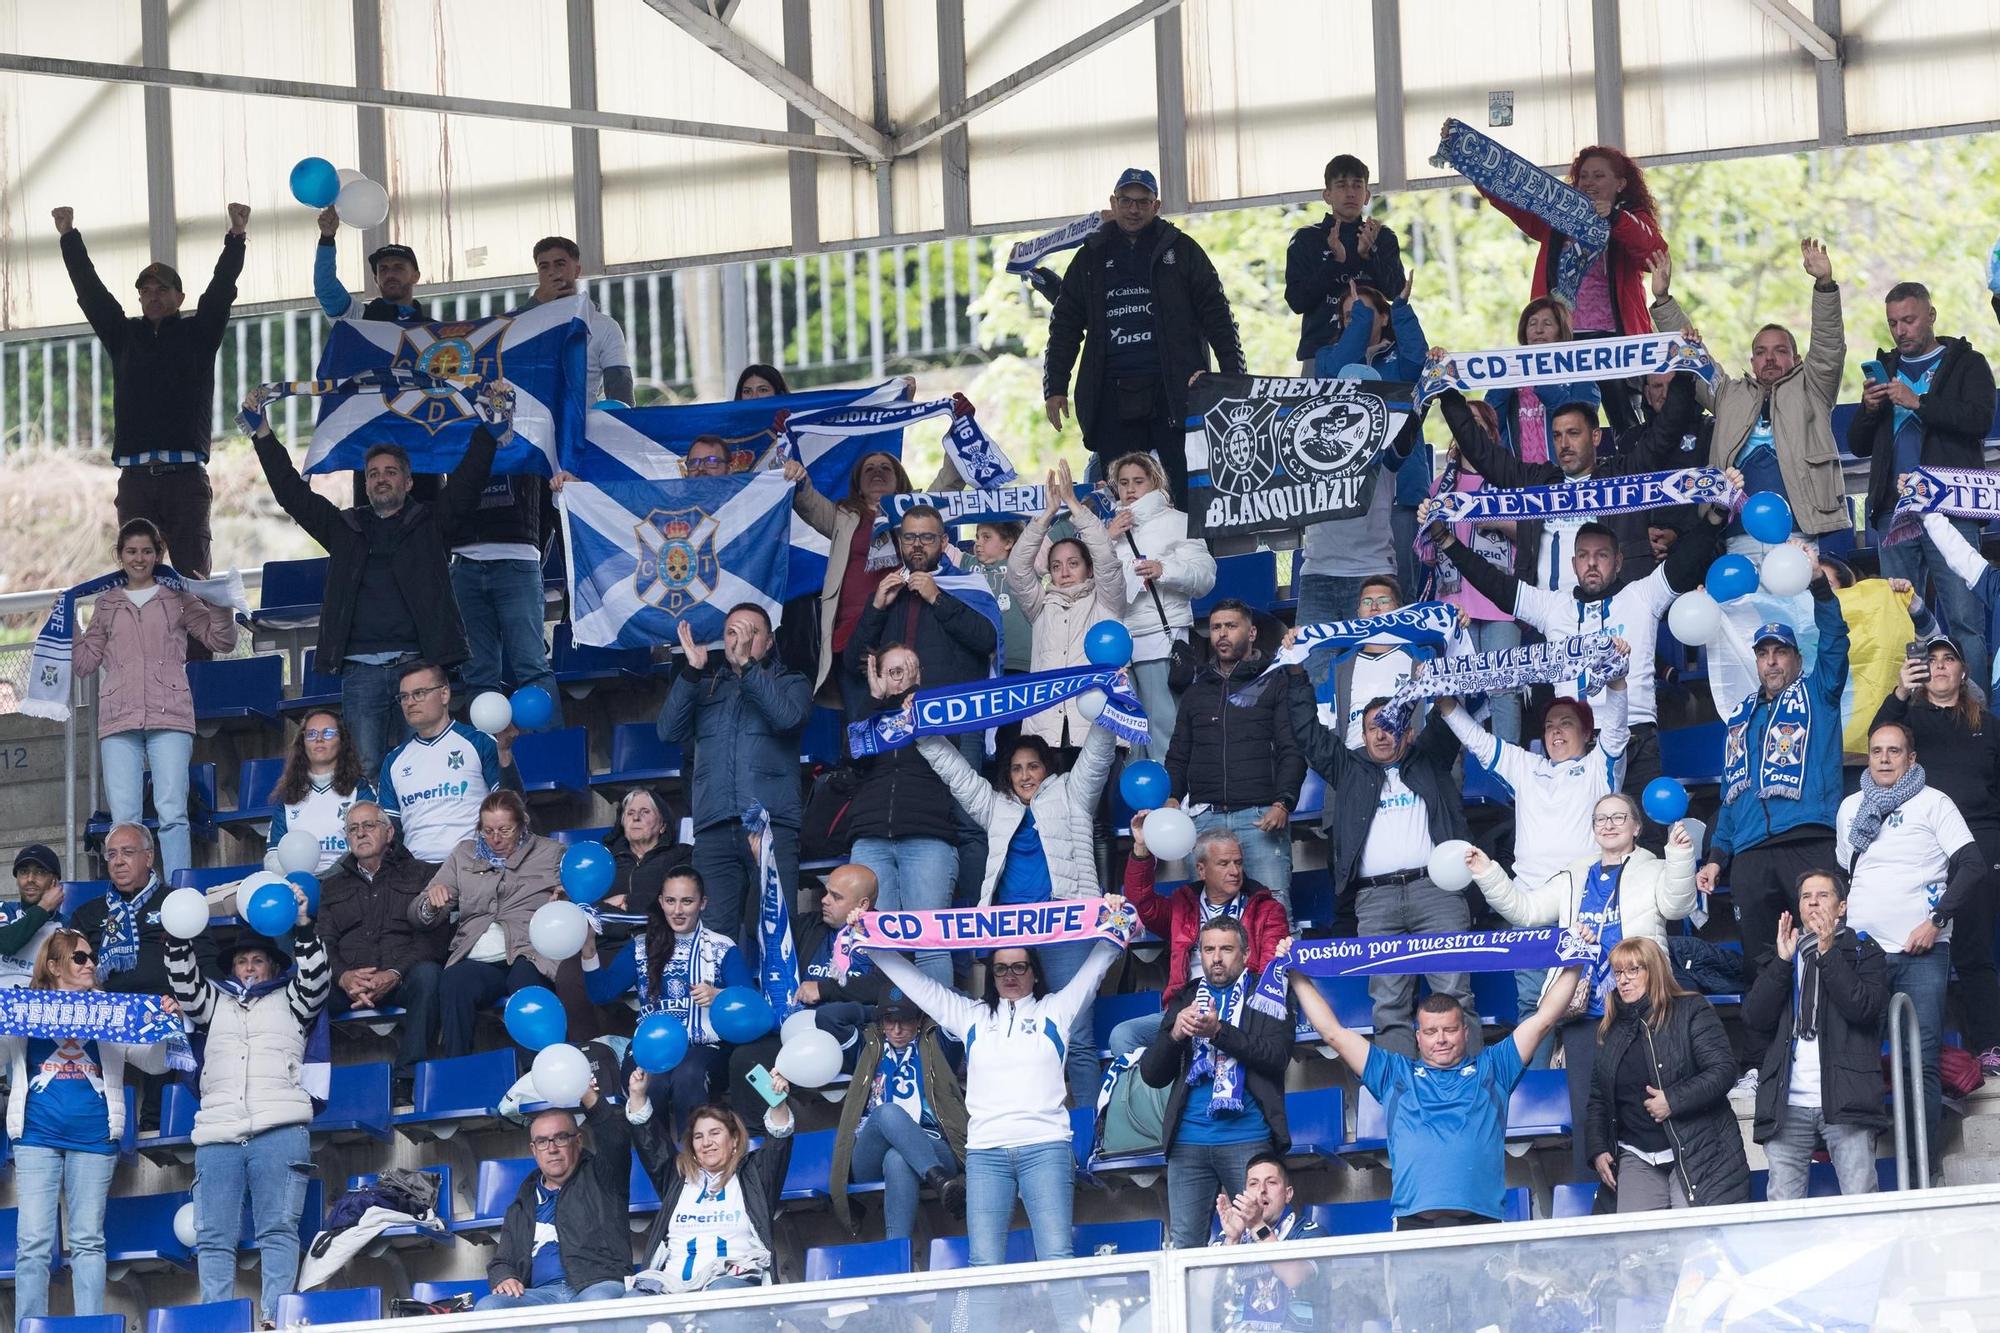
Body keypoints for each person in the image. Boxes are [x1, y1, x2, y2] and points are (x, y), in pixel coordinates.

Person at [247, 383, 514, 776]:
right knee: (367, 769)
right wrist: (262, 434)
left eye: (390, 472)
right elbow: (291, 493)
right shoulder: (343, 527)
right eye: (373, 474)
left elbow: (466, 483)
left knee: (424, 767)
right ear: (365, 484)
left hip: (418, 667)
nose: (381, 479)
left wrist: (488, 432)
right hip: (360, 671)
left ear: (409, 482)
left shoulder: (431, 523)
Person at [872, 933, 1124, 1305]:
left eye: (1019, 967)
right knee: (984, 1266)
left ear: (1035, 972)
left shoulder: (1057, 1009)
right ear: (991, 975)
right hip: (986, 1155)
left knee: (1057, 1259)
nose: (1010, 976)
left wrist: (1117, 928)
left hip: (1045, 1148)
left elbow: (1095, 968)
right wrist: (870, 944)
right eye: (1001, 969)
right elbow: (918, 986)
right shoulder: (971, 1016)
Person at [1469, 796, 1699, 1179]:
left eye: (1618, 817)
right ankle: (1595, 1193)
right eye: (1600, 819)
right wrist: (1487, 872)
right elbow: (1525, 911)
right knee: (1587, 1113)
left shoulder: (1655, 868)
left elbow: (1677, 907)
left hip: (1639, 1010)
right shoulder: (1574, 875)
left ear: (1637, 827)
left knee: (1643, 1105)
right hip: (1583, 1012)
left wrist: (1679, 857)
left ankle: (1654, 1187)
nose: (1609, 824)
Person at [1433, 512, 1725, 809]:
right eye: (1583, 556)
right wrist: (1444, 539)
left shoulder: (1642, 596)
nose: (1592, 563)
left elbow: (1686, 560)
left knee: (1646, 831)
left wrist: (1716, 516)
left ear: (1619, 562)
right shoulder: (1552, 607)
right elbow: (1495, 584)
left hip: (1635, 740)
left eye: (1602, 555)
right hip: (1573, 744)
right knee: (1576, 832)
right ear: (1573, 564)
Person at [1292, 944, 1583, 1227]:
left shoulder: (1494, 1068)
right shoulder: (1394, 1074)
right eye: (1431, 1031)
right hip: (1413, 1225)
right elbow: (1333, 1033)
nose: (1441, 1039)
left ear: (1465, 1032)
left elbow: (1544, 1019)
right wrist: (1294, 973)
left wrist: (1577, 959)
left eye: (1450, 1029)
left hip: (1482, 1223)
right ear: (1418, 1037)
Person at [921, 725, 1116, 1107]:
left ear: (1047, 768)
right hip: (1011, 934)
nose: (1025, 776)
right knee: (1009, 1037)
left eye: (1033, 766)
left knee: (1078, 1038)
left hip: (1066, 929)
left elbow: (1097, 756)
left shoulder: (1073, 793)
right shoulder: (995, 806)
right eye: (1016, 768)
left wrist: (1111, 706)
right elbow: (956, 773)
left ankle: (1089, 1132)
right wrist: (919, 731)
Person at [55, 202, 249, 579]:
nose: (153, 296)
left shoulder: (199, 333)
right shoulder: (123, 336)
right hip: (136, 481)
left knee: (194, 580)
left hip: (185, 479)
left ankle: (201, 624)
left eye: (162, 290)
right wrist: (68, 236)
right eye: (146, 291)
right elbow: (91, 292)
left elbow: (221, 290)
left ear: (180, 297)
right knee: (140, 580)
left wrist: (237, 237)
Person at [167, 888, 329, 1323]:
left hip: (281, 1127)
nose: (250, 967)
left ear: (273, 965)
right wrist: (178, 935)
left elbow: (317, 976)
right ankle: (216, 1323)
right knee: (213, 1236)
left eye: (258, 960)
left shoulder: (294, 999)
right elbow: (183, 983)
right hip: (218, 1131)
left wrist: (303, 926)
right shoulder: (213, 1001)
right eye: (243, 961)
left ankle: (277, 1321)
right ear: (233, 968)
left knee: (278, 1231)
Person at [1043, 167, 1246, 503]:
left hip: (1175, 392)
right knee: (1122, 497)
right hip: (1111, 394)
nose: (1133, 209)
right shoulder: (1091, 255)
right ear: (1113, 202)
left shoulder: (1182, 250)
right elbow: (1065, 324)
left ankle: (1189, 538)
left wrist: (1234, 378)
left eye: (1142, 202)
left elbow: (1219, 317)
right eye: (1126, 201)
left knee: (1186, 494)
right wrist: (1055, 386)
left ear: (1157, 206)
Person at [1290, 689, 1475, 1057]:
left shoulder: (1429, 757)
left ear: (1408, 732)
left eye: (1390, 726)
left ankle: (1467, 1087)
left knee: (1455, 996)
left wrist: (1434, 681)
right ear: (1362, 735)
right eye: (1372, 728)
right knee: (1389, 1008)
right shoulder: (1348, 767)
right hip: (1375, 901)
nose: (1380, 734)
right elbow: (1307, 732)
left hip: (1436, 893)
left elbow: (1449, 713)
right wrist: (1295, 675)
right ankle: (1401, 1092)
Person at [4, 928, 175, 1321]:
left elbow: (154, 1064)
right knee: (32, 1243)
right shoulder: (25, 1007)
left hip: (95, 1138)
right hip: (36, 1136)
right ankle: (29, 1327)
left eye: (91, 957)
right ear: (53, 966)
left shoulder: (110, 1008)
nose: (90, 964)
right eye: (79, 958)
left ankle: (91, 1327)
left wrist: (163, 1028)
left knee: (88, 1242)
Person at [1836, 720, 1983, 1170]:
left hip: (1922, 952)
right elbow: (1846, 875)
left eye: (1894, 751)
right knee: (1858, 1061)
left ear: (1911, 758)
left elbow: (1972, 865)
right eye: (1876, 751)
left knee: (1920, 1061)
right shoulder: (1850, 807)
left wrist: (1936, 921)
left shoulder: (1934, 802)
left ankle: (1922, 1170)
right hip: (1864, 955)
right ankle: (1860, 1172)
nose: (1883, 759)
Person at [1648, 241, 1849, 548]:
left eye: (1780, 351)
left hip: (1799, 534)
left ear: (1796, 359)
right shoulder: (1728, 394)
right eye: (1761, 352)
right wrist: (1663, 300)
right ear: (1752, 361)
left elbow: (1828, 346)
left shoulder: (1814, 389)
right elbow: (1694, 359)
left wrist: (1824, 285)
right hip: (1737, 535)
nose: (1770, 358)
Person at [1697, 582, 1851, 974]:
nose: (1771, 662)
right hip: (1750, 854)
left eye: (1780, 652)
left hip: (1809, 842)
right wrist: (1717, 858)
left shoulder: (1818, 694)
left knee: (1825, 954)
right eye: (1763, 654)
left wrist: (1821, 589)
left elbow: (1835, 642)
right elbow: (1731, 798)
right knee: (1761, 966)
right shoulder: (1740, 717)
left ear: (1797, 658)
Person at [1849, 281, 1997, 688]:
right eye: (1893, 323)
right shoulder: (1887, 369)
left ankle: (1976, 716)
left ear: (1931, 316)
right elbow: (1858, 444)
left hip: (1951, 508)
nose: (1901, 331)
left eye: (1909, 320)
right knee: (1902, 620)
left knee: (1964, 619)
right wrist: (1869, 408)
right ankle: (1912, 713)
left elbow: (1979, 420)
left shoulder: (1967, 363)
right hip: (1894, 512)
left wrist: (1919, 402)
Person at [73, 518, 239, 879]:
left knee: (173, 813)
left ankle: (179, 890)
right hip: (119, 720)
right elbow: (84, 663)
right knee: (124, 819)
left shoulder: (177, 596)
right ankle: (131, 891)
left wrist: (219, 603)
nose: (139, 558)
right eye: (131, 551)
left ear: (158, 554)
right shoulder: (106, 604)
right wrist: (68, 621)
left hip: (171, 716)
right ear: (119, 555)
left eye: (147, 551)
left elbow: (222, 641)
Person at [1877, 619, 2000, 1076]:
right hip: (1923, 843)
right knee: (1917, 947)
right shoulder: (1908, 722)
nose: (1941, 666)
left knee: (1975, 949)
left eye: (1949, 659)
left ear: (1964, 672)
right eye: (1932, 660)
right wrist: (1900, 692)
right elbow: (1879, 742)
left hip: (1981, 840)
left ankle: (1989, 1044)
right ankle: (1916, 1055)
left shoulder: (1988, 725)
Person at [659, 604, 812, 938]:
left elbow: (787, 719)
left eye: (750, 632)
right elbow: (668, 732)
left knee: (774, 934)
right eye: (732, 632)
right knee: (714, 938)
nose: (739, 640)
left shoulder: (791, 681)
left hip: (769, 824)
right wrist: (690, 673)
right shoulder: (705, 685)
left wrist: (748, 667)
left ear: (769, 642)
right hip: (713, 826)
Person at [1141, 915, 1293, 1247]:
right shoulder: (1187, 997)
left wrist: (1219, 1032)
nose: (1216, 958)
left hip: (1247, 1137)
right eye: (1209, 950)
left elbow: (1277, 1056)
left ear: (1246, 953)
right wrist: (1175, 1034)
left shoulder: (1267, 990)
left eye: (1226, 949)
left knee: (1257, 1238)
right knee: (1185, 1247)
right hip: (1188, 1141)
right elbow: (1152, 1074)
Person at [1744, 869, 1888, 1199]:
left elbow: (1863, 1008)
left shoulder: (1863, 951)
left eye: (1823, 895)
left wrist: (1828, 952)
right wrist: (1782, 963)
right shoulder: (1783, 953)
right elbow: (1755, 1018)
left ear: (1842, 907)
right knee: (1783, 1207)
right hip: (1787, 1102)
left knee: (1861, 1201)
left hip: (1846, 1098)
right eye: (1806, 897)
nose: (1813, 903)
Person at [1295, 280, 1428, 628]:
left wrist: (1401, 310)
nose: (1356, 319)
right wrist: (1361, 318)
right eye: (1349, 316)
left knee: (1402, 596)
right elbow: (1338, 372)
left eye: (1364, 312)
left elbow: (1418, 364)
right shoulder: (1329, 357)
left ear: (1384, 317)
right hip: (1336, 526)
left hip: (1401, 484)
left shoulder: (1399, 358)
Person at [1585, 937, 1748, 1211]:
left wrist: (1673, 1101)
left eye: (1633, 970)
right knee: (1633, 1238)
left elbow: (1723, 1070)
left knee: (1692, 1236)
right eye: (1618, 972)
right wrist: (1598, 1148)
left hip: (1697, 1149)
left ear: (1654, 971)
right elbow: (1598, 1098)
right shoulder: (1609, 1029)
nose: (1623, 980)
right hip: (1637, 1153)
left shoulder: (1691, 1010)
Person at [1165, 600, 1304, 912]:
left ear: (1252, 633)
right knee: (1211, 922)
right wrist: (1173, 796)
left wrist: (1283, 802)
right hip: (1204, 820)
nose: (1222, 634)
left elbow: (1291, 748)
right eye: (1216, 627)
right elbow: (1178, 754)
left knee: (1275, 916)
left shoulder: (1274, 680)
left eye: (1231, 626)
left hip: (1260, 818)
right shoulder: (1196, 691)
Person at [412, 790, 571, 1059]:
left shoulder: (551, 853)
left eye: (505, 830)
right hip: (478, 954)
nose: (495, 839)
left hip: (530, 950)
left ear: (522, 824)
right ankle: (458, 1069)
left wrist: (565, 899)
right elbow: (417, 913)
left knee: (525, 980)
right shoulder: (464, 854)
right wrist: (431, 903)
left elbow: (579, 900)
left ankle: (537, 1069)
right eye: (487, 831)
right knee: (454, 981)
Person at [724, 863, 888, 1124]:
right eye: (826, 892)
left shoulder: (887, 934)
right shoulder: (812, 925)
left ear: (863, 904)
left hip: (850, 1038)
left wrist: (825, 989)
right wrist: (761, 867)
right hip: (797, 1031)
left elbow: (887, 987)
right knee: (746, 1059)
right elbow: (761, 927)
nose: (824, 900)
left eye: (836, 896)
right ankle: (762, 1136)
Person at [595, 867, 753, 1135]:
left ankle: (696, 1154)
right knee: (651, 1082)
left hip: (704, 1045)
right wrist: (588, 951)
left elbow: (750, 1005)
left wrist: (720, 996)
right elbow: (602, 992)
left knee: (688, 1075)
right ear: (661, 902)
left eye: (687, 901)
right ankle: (659, 1158)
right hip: (651, 1045)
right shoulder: (641, 946)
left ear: (703, 903)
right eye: (670, 901)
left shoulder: (721, 946)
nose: (678, 910)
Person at [316, 801, 451, 1105]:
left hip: (401, 977)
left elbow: (434, 940)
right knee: (304, 992)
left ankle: (407, 1079)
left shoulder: (422, 874)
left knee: (430, 976)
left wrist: (393, 973)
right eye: (353, 828)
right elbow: (323, 942)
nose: (360, 833)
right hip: (349, 984)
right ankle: (313, 1088)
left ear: (389, 833)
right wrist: (343, 977)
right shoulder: (331, 886)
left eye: (369, 825)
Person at [843, 645, 963, 987]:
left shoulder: (937, 710)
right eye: (894, 671)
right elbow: (851, 755)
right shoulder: (869, 713)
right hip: (871, 837)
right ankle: (886, 1021)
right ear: (879, 677)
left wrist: (919, 706)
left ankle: (936, 1022)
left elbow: (951, 750)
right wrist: (874, 701)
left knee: (930, 943)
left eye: (910, 669)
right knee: (877, 943)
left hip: (927, 837)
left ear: (920, 675)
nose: (902, 677)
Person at [1474, 142, 1665, 340]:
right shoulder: (1556, 215)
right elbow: (1516, 200)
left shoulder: (1631, 218)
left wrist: (1615, 218)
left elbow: (1655, 255)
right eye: (1583, 176)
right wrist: (1475, 167)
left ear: (1620, 184)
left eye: (1598, 176)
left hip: (1616, 339)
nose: (1589, 182)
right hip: (1560, 337)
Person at [1008, 461, 1130, 754]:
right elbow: (1017, 570)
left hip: (1096, 728)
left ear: (1089, 569)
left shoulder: (1106, 601)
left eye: (1073, 563)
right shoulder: (1040, 606)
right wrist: (1047, 515)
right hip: (1046, 733)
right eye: (1056, 566)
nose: (1064, 572)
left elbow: (1106, 558)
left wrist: (1074, 505)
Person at [828, 991, 970, 1240]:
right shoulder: (867, 1046)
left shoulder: (937, 1044)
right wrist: (876, 1010)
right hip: (871, 1152)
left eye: (905, 1020)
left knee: (897, 1158)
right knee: (887, 1112)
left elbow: (963, 1000)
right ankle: (942, 1181)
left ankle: (897, 1252)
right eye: (889, 1021)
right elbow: (828, 1017)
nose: (896, 1030)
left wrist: (921, 1000)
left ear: (919, 1020)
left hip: (934, 1145)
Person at [787, 449, 917, 712]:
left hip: (903, 629)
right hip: (853, 637)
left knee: (909, 718)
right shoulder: (842, 516)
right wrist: (797, 475)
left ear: (899, 480)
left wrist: (959, 437)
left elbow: (948, 484)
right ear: (858, 484)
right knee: (861, 722)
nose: (877, 472)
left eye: (885, 468)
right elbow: (807, 500)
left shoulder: (915, 513)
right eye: (869, 469)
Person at [629, 1089, 795, 1294]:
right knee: (632, 1299)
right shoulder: (677, 1177)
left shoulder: (754, 1177)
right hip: (671, 1285)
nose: (706, 1142)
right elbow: (651, 1144)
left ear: (734, 1139)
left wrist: (777, 1101)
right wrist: (636, 1094)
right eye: (698, 1136)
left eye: (715, 1133)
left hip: (729, 1281)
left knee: (720, 1293)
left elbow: (779, 1142)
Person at [1105, 451, 1215, 759]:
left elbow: (1205, 577)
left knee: (1164, 728)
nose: (1130, 489)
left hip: (1161, 637)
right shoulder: (1109, 528)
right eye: (1123, 482)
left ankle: (1171, 789)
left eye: (1138, 481)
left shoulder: (1179, 522)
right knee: (1127, 739)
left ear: (1155, 481)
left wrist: (1164, 570)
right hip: (1117, 645)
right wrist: (1105, 539)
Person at [478, 1091, 632, 1309]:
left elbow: (615, 1139)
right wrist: (504, 1277)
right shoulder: (523, 1202)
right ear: (534, 1150)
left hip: (596, 1286)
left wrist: (588, 1095)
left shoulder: (604, 1177)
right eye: (542, 1141)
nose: (551, 1149)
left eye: (560, 1138)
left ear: (578, 1141)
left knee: (594, 1304)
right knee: (489, 1307)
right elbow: (502, 1261)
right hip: (540, 1295)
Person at [377, 660, 519, 864]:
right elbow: (391, 830)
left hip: (473, 865)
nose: (410, 703)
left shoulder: (479, 742)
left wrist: (504, 752)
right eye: (404, 697)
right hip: (416, 871)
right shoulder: (393, 760)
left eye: (419, 693)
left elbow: (512, 805)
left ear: (444, 694)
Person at [1284, 153, 1406, 369]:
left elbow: (1397, 295)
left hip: (1378, 354)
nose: (1350, 193)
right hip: (1322, 353)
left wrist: (1370, 256)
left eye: (1357, 186)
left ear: (1367, 195)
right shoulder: (1307, 238)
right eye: (1341, 185)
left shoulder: (1382, 236)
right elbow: (1296, 301)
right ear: (1327, 195)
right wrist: (1334, 262)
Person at [71, 823, 211, 1001]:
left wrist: (185, 1006)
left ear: (149, 857)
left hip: (170, 1006)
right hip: (106, 1008)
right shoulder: (87, 913)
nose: (118, 861)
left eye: (127, 852)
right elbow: (68, 969)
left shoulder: (179, 903)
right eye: (111, 854)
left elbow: (207, 964)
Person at [1209, 1154, 1333, 1332]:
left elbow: (1293, 1277)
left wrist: (1257, 1226)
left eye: (1271, 1182)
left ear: (1288, 1194)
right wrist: (1232, 1240)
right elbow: (1205, 1294)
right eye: (1253, 1183)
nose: (1261, 1190)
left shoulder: (1311, 1232)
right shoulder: (1229, 1236)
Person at [521, 236, 634, 405]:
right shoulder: (521, 322)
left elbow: (620, 391)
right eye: (544, 267)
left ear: (577, 270)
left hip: (583, 419)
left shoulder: (604, 326)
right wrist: (536, 304)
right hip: (531, 419)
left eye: (560, 264)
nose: (552, 272)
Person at [264, 709, 377, 875]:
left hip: (350, 880)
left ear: (342, 741)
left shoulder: (360, 789)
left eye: (328, 733)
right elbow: (274, 855)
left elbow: (374, 846)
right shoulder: (289, 795)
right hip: (300, 884)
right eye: (311, 734)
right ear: (303, 743)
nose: (319, 739)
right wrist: (295, 881)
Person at [313, 211, 425, 323]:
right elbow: (326, 288)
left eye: (398, 267)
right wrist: (327, 238)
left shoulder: (431, 329)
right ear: (376, 279)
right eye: (383, 269)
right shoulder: (357, 318)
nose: (389, 274)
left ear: (415, 276)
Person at [602, 786, 693, 919]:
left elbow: (683, 899)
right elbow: (587, 905)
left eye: (645, 812)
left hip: (659, 930)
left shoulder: (681, 855)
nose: (636, 817)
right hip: (610, 930)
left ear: (663, 826)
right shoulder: (606, 859)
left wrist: (628, 901)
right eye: (630, 813)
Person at [970, 520, 1035, 677]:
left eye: (986, 537)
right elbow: (936, 543)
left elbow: (1044, 536)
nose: (978, 543)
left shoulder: (1023, 565)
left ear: (1008, 542)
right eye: (977, 537)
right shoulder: (967, 563)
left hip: (1017, 661)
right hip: (981, 662)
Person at [0, 845, 66, 987]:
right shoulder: (4, 909)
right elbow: (5, 943)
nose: (30, 879)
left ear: (55, 881)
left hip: (36, 997)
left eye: (40, 872)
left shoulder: (65, 926)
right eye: (24, 872)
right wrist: (43, 908)